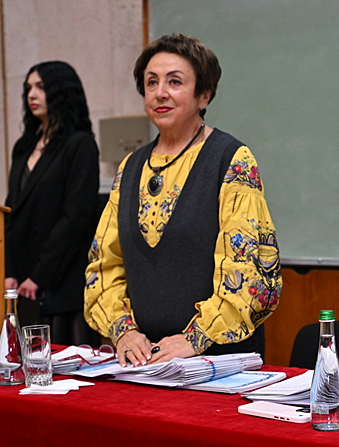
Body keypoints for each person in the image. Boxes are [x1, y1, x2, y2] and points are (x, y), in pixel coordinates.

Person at [84, 34, 282, 367]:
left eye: (174, 82)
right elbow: (103, 265)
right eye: (151, 82)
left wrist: (196, 338)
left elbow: (250, 269)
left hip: (216, 363)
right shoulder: (130, 168)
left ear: (204, 95)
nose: (160, 92)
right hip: (143, 363)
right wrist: (124, 332)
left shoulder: (231, 159)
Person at [5, 61, 101, 346]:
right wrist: (10, 271)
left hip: (62, 282)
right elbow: (11, 211)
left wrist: (40, 275)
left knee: (63, 362)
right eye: (28, 88)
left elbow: (76, 218)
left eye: (41, 87)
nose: (31, 95)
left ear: (61, 91)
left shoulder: (80, 145)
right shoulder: (23, 146)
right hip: (24, 282)